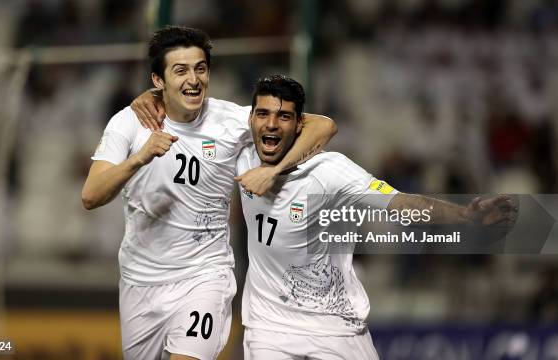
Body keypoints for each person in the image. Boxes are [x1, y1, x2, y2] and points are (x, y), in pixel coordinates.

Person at [81, 26, 337, 360]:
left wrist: (272, 170)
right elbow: (91, 196)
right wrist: (140, 158)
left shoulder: (229, 121)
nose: (194, 79)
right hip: (140, 283)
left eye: (200, 68)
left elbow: (322, 126)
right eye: (181, 70)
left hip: (204, 277)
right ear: (157, 80)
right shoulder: (129, 123)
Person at [236, 75, 518, 359]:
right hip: (268, 328)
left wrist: (464, 215)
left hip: (335, 328)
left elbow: (401, 203)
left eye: (284, 116)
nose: (271, 123)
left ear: (300, 124)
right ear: (251, 119)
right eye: (262, 114)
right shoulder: (242, 153)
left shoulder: (330, 171)